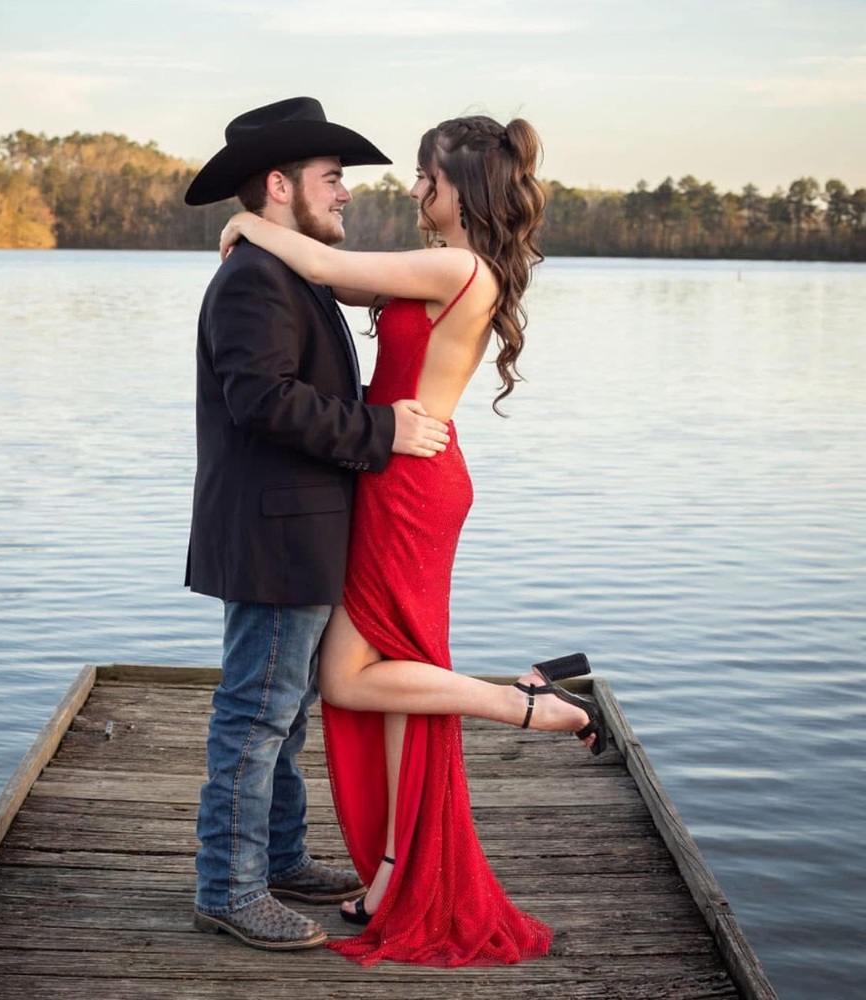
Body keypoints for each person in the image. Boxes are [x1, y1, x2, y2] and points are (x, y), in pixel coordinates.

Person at [217, 112, 609, 967]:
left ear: (457, 188)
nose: (410, 187)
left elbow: (322, 263)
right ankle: (395, 872)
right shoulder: (443, 268)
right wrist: (270, 229)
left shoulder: (456, 265)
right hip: (399, 473)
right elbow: (332, 284)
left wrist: (247, 220)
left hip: (407, 481)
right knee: (392, 671)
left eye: (424, 175)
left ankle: (526, 704)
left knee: (349, 680)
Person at [182, 96, 452, 953]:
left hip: (296, 532)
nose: (344, 194)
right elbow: (261, 401)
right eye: (332, 179)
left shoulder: (285, 269)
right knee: (255, 716)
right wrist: (386, 431)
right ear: (278, 185)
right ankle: (229, 888)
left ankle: (285, 856)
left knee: (285, 712)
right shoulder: (257, 280)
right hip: (274, 536)